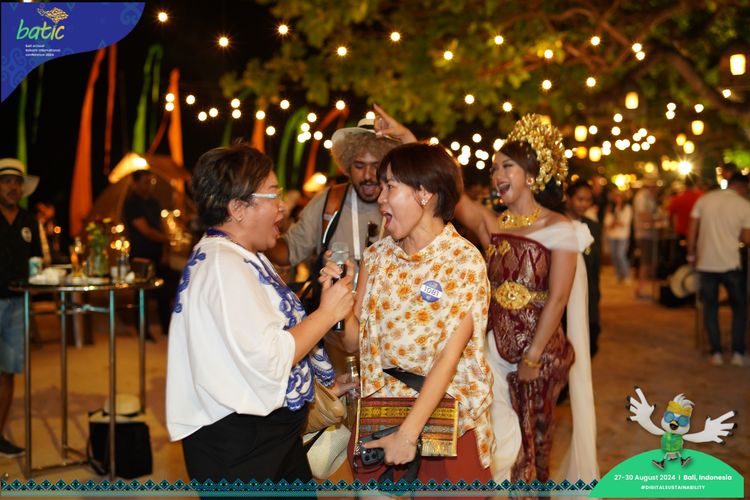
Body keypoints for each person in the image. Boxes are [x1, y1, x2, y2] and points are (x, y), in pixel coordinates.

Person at [374, 108, 599, 485]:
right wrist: (410, 140)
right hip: (492, 351)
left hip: (540, 355)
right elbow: (445, 188)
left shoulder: (560, 226)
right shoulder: (493, 223)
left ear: (532, 174)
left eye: (507, 166)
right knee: (499, 438)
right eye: (494, 168)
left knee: (534, 445)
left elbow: (558, 298)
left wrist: (533, 357)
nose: (497, 175)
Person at [165, 142, 355, 483]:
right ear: (238, 208)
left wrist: (317, 388)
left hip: (265, 437)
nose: (282, 206)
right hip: (241, 448)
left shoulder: (239, 256)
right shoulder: (224, 267)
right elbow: (269, 357)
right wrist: (327, 314)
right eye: (273, 194)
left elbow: (252, 349)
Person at [337, 142, 495, 483]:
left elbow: (448, 357)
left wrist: (408, 434)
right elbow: (352, 343)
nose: (380, 198)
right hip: (379, 420)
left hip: (445, 425)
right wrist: (338, 305)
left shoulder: (463, 261)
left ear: (424, 193)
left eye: (391, 186)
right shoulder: (377, 257)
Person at [266, 118, 399, 371]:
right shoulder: (329, 202)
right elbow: (288, 251)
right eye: (359, 165)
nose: (368, 176)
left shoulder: (402, 205)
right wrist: (257, 232)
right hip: (336, 341)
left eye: (377, 166)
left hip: (390, 339)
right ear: (347, 165)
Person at [687, 173, 750, 367]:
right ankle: (738, 352)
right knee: (739, 308)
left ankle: (716, 352)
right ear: (742, 187)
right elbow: (747, 238)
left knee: (710, 307)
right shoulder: (743, 205)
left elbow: (692, 228)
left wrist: (691, 254)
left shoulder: (705, 199)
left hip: (706, 262)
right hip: (731, 263)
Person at [0, 157, 40, 458]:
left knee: (8, 371)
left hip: (17, 303)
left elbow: (36, 260)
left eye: (17, 182)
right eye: (6, 181)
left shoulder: (29, 220)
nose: (12, 187)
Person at [123, 169, 178, 337]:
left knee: (165, 292)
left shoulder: (154, 202)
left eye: (151, 182)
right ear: (136, 183)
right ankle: (142, 330)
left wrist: (166, 249)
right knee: (142, 294)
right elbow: (145, 230)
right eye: (146, 182)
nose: (149, 186)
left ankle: (166, 328)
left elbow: (160, 226)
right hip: (141, 254)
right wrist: (165, 239)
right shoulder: (132, 203)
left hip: (157, 252)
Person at [566, 180, 601, 358]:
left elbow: (595, 266)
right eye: (580, 199)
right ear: (568, 198)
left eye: (588, 200)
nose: (584, 204)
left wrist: (596, 296)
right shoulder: (558, 224)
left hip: (587, 291)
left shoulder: (592, 226)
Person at [632, 180, 660, 299]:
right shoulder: (642, 196)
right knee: (645, 262)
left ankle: (642, 289)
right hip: (644, 234)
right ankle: (641, 290)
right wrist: (657, 218)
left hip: (648, 234)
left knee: (647, 262)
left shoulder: (648, 196)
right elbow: (643, 215)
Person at [668, 177, 702, 266]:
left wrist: (672, 228)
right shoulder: (701, 198)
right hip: (697, 235)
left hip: (681, 234)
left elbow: (670, 216)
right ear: (697, 183)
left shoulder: (677, 199)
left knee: (682, 263)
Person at [604, 191, 633, 283]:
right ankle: (618, 274)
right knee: (614, 256)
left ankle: (627, 274)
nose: (618, 199)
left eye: (619, 197)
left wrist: (615, 223)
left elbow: (625, 222)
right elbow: (607, 222)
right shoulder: (611, 208)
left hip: (622, 236)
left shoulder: (627, 208)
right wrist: (614, 223)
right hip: (612, 235)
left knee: (620, 254)